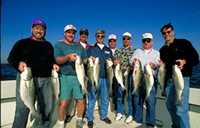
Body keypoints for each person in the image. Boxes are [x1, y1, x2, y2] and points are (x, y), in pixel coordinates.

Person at [7, 19, 59, 128]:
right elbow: (11, 58)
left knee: (46, 108)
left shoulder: (49, 45)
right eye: (36, 28)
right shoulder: (22, 43)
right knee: (22, 109)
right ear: (32, 29)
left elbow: (51, 60)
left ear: (45, 31)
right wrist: (18, 63)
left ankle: (43, 126)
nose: (39, 31)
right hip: (27, 80)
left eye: (42, 29)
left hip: (45, 80)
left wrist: (54, 64)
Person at [159, 23, 199, 128]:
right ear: (162, 35)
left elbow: (195, 58)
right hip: (168, 83)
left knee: (181, 110)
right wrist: (160, 66)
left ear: (173, 32)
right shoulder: (162, 50)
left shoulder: (184, 43)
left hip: (182, 80)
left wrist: (184, 61)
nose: (166, 34)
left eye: (168, 32)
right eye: (164, 33)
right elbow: (164, 67)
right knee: (170, 107)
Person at [54, 24, 88, 128]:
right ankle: (61, 123)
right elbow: (57, 60)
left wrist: (89, 60)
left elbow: (85, 60)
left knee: (81, 100)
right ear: (64, 34)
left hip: (79, 77)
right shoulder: (59, 45)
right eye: (69, 32)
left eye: (73, 33)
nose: (71, 34)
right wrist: (68, 57)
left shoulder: (79, 47)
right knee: (63, 103)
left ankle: (79, 120)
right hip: (64, 77)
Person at [129, 33, 160, 128]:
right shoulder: (137, 51)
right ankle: (137, 119)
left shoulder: (156, 53)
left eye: (148, 40)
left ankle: (150, 122)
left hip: (150, 79)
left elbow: (158, 67)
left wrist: (154, 66)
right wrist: (133, 62)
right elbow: (131, 62)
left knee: (150, 102)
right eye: (144, 41)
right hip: (139, 78)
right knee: (137, 100)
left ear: (152, 41)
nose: (146, 42)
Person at [87, 29, 113, 128]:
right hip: (94, 77)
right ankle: (90, 118)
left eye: (102, 36)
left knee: (105, 98)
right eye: (98, 36)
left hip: (105, 78)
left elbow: (111, 62)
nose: (100, 38)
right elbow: (86, 61)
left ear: (104, 37)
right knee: (92, 98)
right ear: (95, 37)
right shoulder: (91, 48)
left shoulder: (108, 49)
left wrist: (111, 60)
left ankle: (104, 116)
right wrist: (90, 59)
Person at [65, 28, 91, 123]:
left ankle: (83, 113)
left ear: (88, 36)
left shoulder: (90, 47)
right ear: (79, 35)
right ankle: (70, 113)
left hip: (86, 74)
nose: (84, 35)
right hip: (75, 73)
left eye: (86, 34)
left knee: (83, 94)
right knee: (72, 96)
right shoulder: (74, 44)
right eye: (82, 34)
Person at [113, 32, 136, 123]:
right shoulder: (118, 51)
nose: (126, 40)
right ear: (122, 40)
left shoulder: (134, 51)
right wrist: (115, 61)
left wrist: (132, 66)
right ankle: (120, 112)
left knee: (129, 95)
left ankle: (130, 114)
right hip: (119, 74)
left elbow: (137, 63)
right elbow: (114, 60)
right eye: (124, 39)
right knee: (119, 94)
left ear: (130, 40)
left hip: (129, 75)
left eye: (127, 39)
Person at [108, 34, 118, 112]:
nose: (112, 42)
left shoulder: (119, 51)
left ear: (116, 42)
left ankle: (115, 107)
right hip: (108, 74)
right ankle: (106, 107)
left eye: (113, 41)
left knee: (116, 91)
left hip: (117, 74)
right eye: (110, 41)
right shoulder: (105, 50)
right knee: (107, 91)